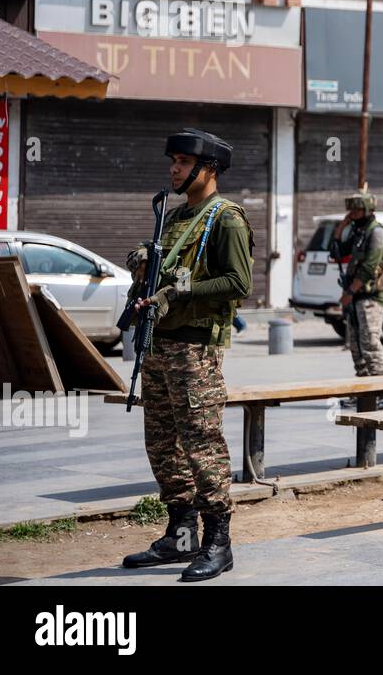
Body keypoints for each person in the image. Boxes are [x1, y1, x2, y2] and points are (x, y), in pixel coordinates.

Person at [121, 129, 254, 582]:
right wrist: (143, 262)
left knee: (202, 444)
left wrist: (183, 291)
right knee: (161, 445)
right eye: (173, 162)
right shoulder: (176, 216)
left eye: (182, 162)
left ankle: (219, 541)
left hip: (195, 351)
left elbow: (240, 284)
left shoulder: (227, 219)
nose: (174, 169)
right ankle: (181, 536)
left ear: (207, 169)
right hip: (159, 346)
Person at [330, 190, 383, 408]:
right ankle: (363, 391)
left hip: (370, 298)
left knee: (370, 344)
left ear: (367, 210)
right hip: (356, 297)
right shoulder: (359, 232)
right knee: (356, 346)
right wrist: (343, 224)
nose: (352, 214)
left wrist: (349, 293)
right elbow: (336, 251)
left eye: (356, 210)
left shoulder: (377, 234)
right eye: (350, 211)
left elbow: (369, 268)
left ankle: (380, 394)